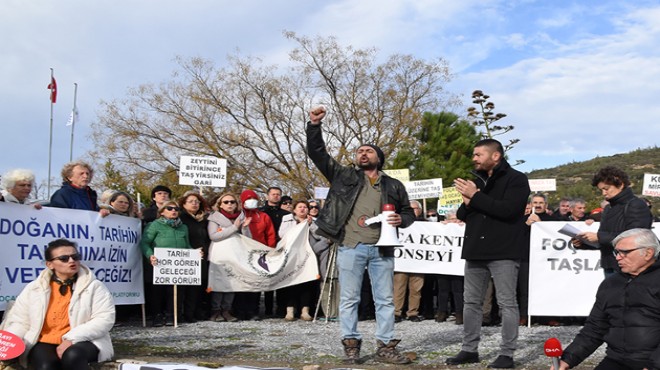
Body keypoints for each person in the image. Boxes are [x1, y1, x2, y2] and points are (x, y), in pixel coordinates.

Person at [306, 106, 415, 365]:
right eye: (359, 151)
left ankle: (386, 347)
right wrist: (314, 125)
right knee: (349, 299)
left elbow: (409, 212)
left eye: (369, 150)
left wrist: (403, 219)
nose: (362, 153)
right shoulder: (343, 175)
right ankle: (351, 345)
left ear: (379, 157)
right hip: (350, 246)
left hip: (382, 250)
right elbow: (317, 153)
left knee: (385, 301)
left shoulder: (393, 185)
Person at [447, 138, 530, 369]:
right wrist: (467, 202)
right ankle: (469, 349)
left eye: (478, 154)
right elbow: (465, 215)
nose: (473, 159)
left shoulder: (517, 179)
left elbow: (508, 211)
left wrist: (475, 196)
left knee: (507, 303)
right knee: (471, 302)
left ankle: (506, 354)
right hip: (475, 250)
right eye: (473, 155)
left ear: (496, 156)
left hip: (504, 250)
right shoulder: (477, 182)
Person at [553, 228, 660, 370]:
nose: (618, 257)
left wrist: (653, 366)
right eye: (616, 252)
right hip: (616, 360)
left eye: (625, 252)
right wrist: (567, 360)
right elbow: (595, 328)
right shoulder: (611, 283)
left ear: (648, 253)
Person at [0, 239, 115, 369]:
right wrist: (11, 343)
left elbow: (104, 319)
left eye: (75, 256)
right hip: (44, 340)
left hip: (85, 340)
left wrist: (72, 339)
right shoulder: (34, 288)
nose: (72, 261)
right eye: (64, 258)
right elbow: (20, 320)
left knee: (73, 355)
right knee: (46, 366)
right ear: (50, 264)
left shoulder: (95, 286)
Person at [574, 166, 653, 277]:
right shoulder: (608, 208)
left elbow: (636, 237)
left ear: (620, 184)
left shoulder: (636, 205)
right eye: (601, 190)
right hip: (610, 265)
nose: (603, 193)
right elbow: (605, 240)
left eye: (606, 188)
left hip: (632, 267)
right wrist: (584, 243)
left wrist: (599, 237)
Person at [139, 200, 197, 327]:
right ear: (162, 212)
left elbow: (187, 245)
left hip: (179, 265)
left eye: (176, 209)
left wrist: (195, 254)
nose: (174, 211)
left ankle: (172, 315)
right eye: (170, 208)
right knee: (158, 292)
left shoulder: (183, 227)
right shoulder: (154, 225)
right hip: (159, 264)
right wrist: (150, 255)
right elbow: (145, 243)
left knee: (176, 291)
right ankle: (157, 316)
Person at [232, 189, 276, 321]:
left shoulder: (263, 216)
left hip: (259, 254)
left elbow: (270, 234)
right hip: (241, 254)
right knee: (241, 282)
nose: (252, 201)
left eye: (254, 198)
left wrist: (270, 251)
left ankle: (253, 310)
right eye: (248, 198)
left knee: (256, 283)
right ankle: (239, 310)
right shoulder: (238, 216)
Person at [207, 192, 248, 322]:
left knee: (232, 283)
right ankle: (216, 310)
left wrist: (245, 228)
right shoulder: (214, 218)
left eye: (232, 202)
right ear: (220, 204)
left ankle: (227, 310)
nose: (229, 204)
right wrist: (234, 227)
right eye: (226, 202)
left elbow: (247, 238)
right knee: (219, 283)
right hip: (219, 256)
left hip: (235, 254)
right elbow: (213, 236)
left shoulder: (241, 217)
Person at [278, 200, 318, 322]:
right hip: (291, 256)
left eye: (305, 207)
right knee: (291, 283)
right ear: (294, 209)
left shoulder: (314, 221)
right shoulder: (287, 219)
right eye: (299, 207)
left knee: (306, 283)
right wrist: (299, 226)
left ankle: (304, 310)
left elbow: (319, 236)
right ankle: (290, 310)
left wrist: (311, 226)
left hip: (307, 256)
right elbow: (282, 234)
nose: (302, 209)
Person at [177, 191, 211, 322]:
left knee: (198, 287)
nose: (195, 204)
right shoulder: (180, 218)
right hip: (185, 256)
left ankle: (195, 312)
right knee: (185, 288)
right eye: (191, 201)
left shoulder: (203, 220)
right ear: (184, 204)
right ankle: (183, 314)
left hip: (201, 256)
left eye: (197, 201)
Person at [258, 186, 290, 317]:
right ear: (267, 196)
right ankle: (267, 309)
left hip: (281, 247)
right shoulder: (260, 212)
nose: (276, 196)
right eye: (273, 194)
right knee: (266, 279)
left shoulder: (286, 214)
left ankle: (281, 309)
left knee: (281, 278)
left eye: (278, 194)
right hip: (263, 248)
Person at [393, 200, 425, 322]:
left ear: (420, 210)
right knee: (398, 288)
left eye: (415, 208)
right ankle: (396, 312)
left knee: (416, 288)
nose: (412, 211)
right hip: (402, 262)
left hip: (418, 263)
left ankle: (413, 312)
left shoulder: (426, 224)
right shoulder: (399, 222)